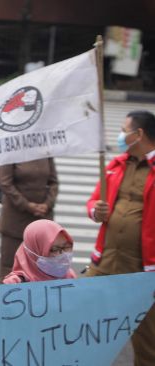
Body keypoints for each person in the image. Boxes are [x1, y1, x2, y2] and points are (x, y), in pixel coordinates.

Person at [86, 110, 155, 365]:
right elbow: (94, 201)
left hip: (143, 268)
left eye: (125, 130)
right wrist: (96, 210)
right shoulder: (116, 165)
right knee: (83, 322)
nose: (121, 135)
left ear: (139, 134)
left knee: (147, 341)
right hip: (105, 260)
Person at [0, 219, 75, 315]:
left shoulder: (70, 277)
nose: (62, 255)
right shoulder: (14, 285)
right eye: (54, 249)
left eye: (67, 247)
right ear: (34, 252)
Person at [0, 158, 58, 282]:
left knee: (41, 268)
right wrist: (26, 205)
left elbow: (53, 182)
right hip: (15, 220)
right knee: (10, 268)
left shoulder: (45, 151)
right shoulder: (11, 150)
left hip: (41, 219)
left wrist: (48, 203)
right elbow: (5, 183)